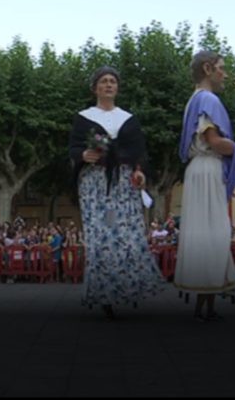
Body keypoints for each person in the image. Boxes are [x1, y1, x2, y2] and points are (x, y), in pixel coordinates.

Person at [68, 65, 164, 320]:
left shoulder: (128, 118)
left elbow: (139, 152)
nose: (109, 84)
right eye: (104, 81)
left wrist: (140, 171)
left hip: (124, 182)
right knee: (100, 235)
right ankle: (104, 292)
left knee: (125, 234)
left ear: (117, 88)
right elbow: (74, 147)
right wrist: (83, 154)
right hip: (95, 184)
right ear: (95, 88)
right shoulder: (84, 117)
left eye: (112, 81)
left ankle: (126, 286)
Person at [173, 51, 235, 322]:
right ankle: (204, 303)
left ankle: (205, 304)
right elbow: (215, 142)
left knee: (208, 233)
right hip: (208, 169)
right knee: (212, 233)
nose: (225, 74)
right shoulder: (208, 100)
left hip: (199, 170)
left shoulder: (194, 99)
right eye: (221, 68)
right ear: (208, 69)